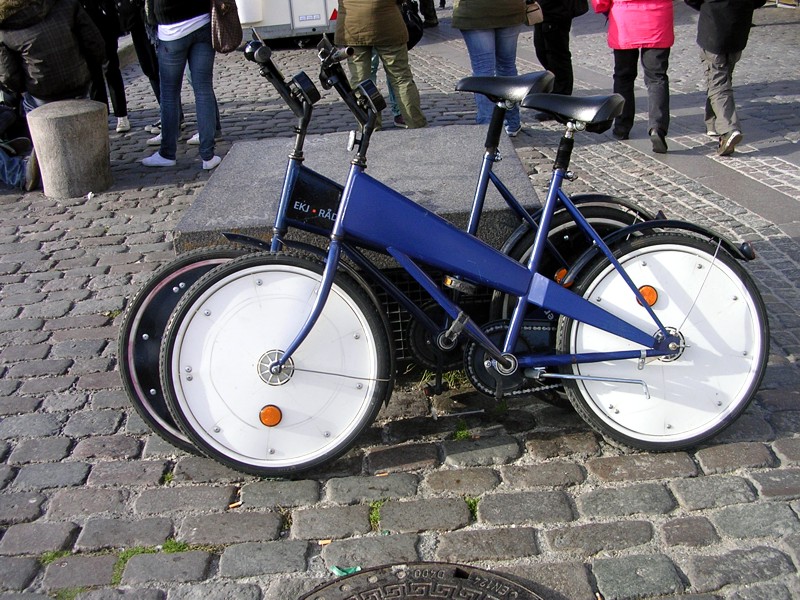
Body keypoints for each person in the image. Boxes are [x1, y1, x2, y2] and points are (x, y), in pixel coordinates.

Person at [142, 0, 221, 170]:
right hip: (201, 19)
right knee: (203, 89)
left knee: (169, 94)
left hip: (171, 26)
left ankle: (167, 153)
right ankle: (208, 155)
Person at [685, 0, 766, 156]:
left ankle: (729, 128)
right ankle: (713, 122)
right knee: (723, 76)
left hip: (714, 28)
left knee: (718, 83)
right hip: (737, 27)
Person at [591, 0, 673, 153]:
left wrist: (602, 7)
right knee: (657, 77)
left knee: (623, 77)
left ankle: (622, 126)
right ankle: (657, 127)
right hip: (657, 17)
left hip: (624, 19)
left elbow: (600, 2)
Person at [334, 0, 428, 130]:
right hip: (387, 23)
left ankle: (370, 124)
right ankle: (415, 121)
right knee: (401, 77)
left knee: (360, 80)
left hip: (353, 26)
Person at [0, 0, 106, 114]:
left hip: (40, 90)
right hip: (77, 81)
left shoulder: (4, 25)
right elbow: (95, 45)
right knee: (83, 115)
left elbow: (8, 75)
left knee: (26, 108)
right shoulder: (66, 4)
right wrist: (87, 71)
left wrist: (24, 88)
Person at [452, 0, 524, 136]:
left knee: (483, 71)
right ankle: (512, 122)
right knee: (507, 67)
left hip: (474, 11)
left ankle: (487, 127)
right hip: (510, 8)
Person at [80, 0, 131, 133]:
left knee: (111, 69)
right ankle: (100, 117)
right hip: (84, 23)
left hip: (105, 20)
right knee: (92, 74)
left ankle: (121, 115)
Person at [532, 0, 584, 120]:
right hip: (542, 11)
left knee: (557, 57)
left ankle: (560, 102)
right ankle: (555, 94)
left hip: (557, 11)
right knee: (542, 51)